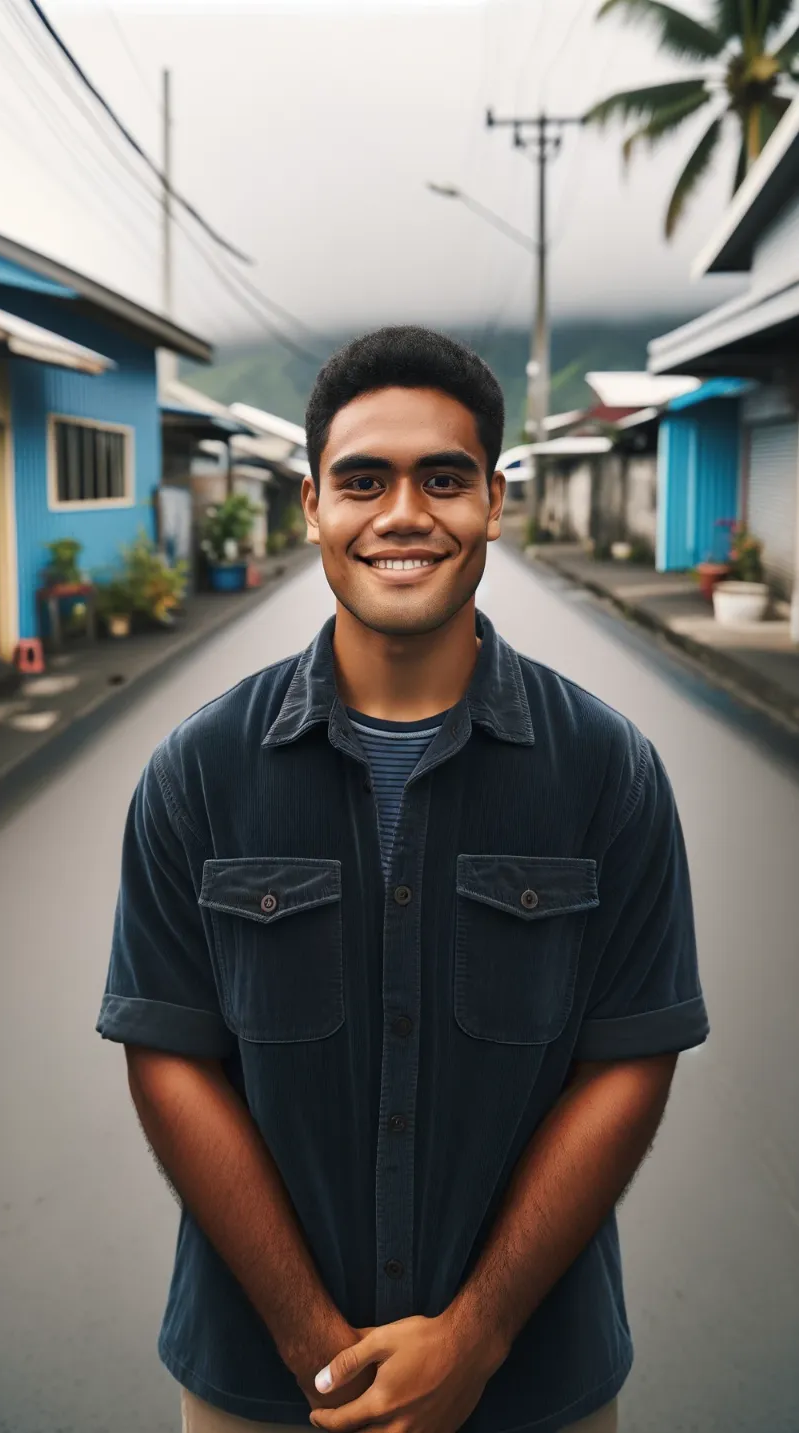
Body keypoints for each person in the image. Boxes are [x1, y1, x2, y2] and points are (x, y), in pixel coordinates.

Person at [97, 326, 709, 1433]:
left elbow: (629, 1058)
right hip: (259, 1384)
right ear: (311, 505)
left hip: (534, 1385)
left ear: (495, 503)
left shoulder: (610, 771)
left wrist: (479, 1333)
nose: (403, 513)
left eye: (445, 477)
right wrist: (313, 1346)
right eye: (363, 479)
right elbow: (170, 1054)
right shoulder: (198, 770)